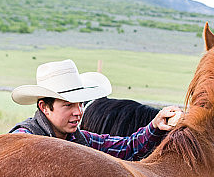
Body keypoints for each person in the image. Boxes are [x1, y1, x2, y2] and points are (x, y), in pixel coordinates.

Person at [9, 59, 181, 161]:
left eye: (81, 103)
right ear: (45, 107)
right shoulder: (24, 139)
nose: (78, 112)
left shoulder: (80, 139)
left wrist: (155, 125)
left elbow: (128, 147)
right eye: (68, 105)